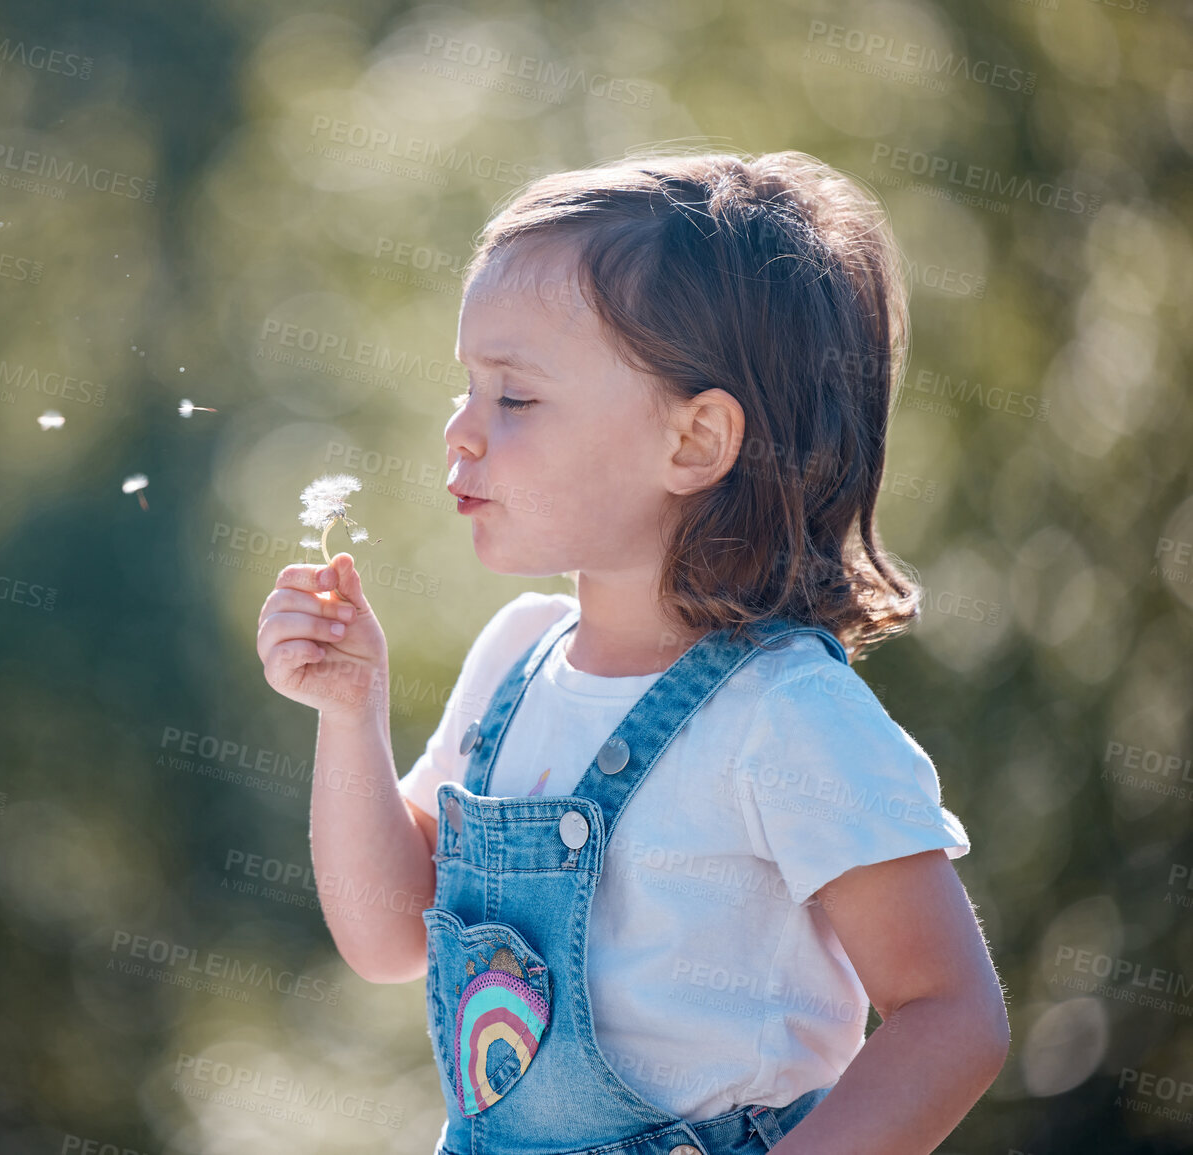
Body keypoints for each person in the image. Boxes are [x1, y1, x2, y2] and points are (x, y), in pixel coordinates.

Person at [255, 149, 1009, 1155]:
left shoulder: (784, 715)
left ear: (695, 443)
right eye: (465, 387)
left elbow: (951, 1014)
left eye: (514, 398)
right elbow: (390, 936)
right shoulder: (517, 660)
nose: (459, 431)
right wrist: (351, 713)